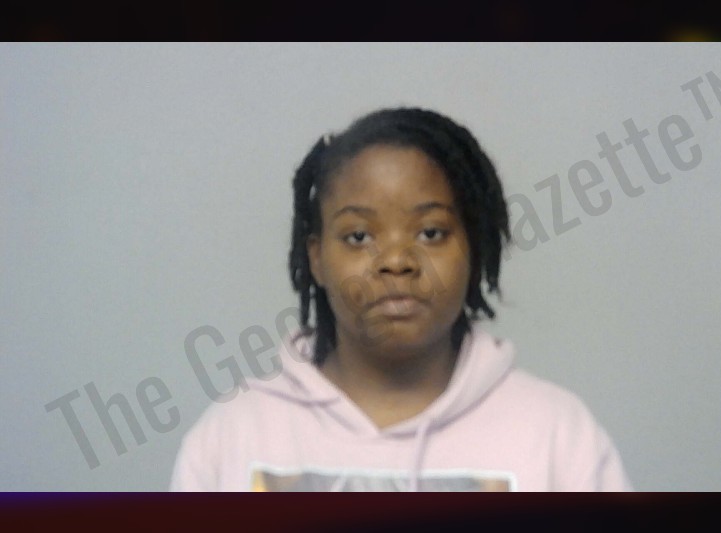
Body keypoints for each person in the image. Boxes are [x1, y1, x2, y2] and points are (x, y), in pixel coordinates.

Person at [170, 108, 631, 491]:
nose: (396, 261)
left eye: (431, 232)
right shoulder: (233, 436)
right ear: (317, 257)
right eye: (358, 236)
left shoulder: (557, 435)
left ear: (474, 249)